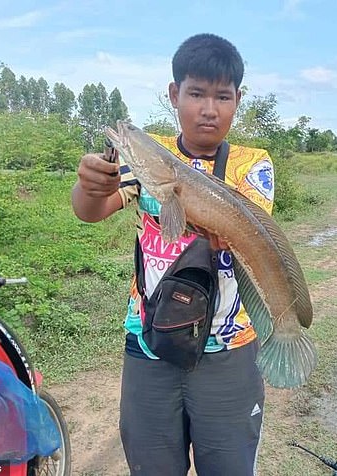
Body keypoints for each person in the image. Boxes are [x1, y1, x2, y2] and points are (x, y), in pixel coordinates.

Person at [71, 33, 275, 476]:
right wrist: (90, 185)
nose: (208, 108)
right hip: (149, 343)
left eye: (222, 96)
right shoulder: (150, 156)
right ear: (174, 94)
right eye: (196, 93)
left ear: (237, 100)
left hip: (229, 350)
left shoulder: (251, 163)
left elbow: (252, 231)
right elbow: (91, 211)